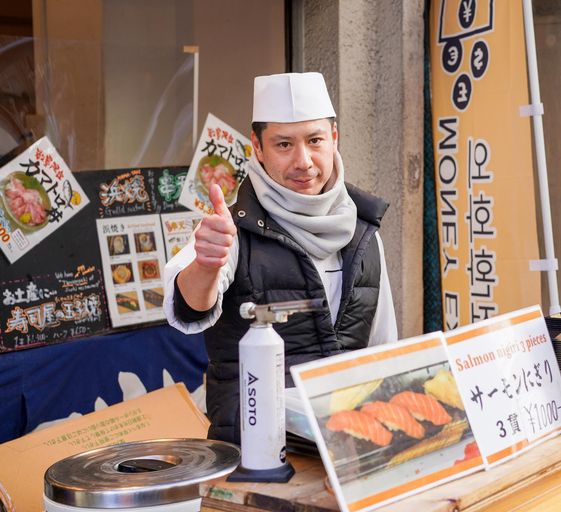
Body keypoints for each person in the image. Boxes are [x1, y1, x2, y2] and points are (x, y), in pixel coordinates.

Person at [163, 72, 397, 444]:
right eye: (284, 144)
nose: (303, 161)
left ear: (334, 138)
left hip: (348, 444)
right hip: (256, 450)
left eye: (315, 140)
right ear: (257, 147)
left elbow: (382, 351)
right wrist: (206, 265)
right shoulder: (230, 229)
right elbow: (189, 305)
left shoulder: (364, 231)